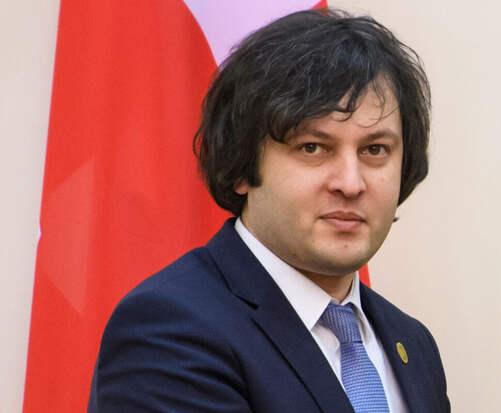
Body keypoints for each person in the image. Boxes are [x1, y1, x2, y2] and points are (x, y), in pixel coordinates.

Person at [88, 8, 450, 413]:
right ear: (243, 166)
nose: (351, 183)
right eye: (313, 147)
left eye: (375, 150)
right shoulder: (167, 331)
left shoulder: (413, 344)